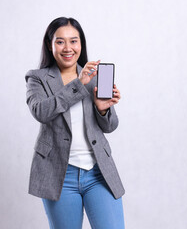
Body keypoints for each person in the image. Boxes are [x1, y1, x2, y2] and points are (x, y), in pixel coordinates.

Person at [25, 17, 125, 229]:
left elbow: (110, 126)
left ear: (81, 44)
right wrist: (78, 84)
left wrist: (102, 108)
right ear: (50, 45)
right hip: (59, 174)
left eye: (74, 41)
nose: (68, 48)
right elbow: (41, 111)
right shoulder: (37, 78)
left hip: (98, 173)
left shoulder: (94, 76)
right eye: (60, 41)